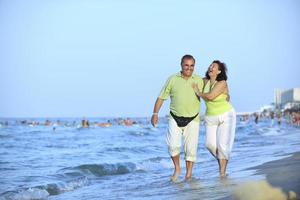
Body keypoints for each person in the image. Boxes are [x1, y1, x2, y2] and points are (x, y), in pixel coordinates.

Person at [151, 55, 203, 181]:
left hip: (193, 119)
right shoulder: (172, 79)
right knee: (173, 145)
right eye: (186, 65)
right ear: (181, 65)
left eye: (191, 66)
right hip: (174, 117)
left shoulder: (199, 80)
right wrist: (155, 114)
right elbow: (161, 97)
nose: (189, 68)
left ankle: (188, 174)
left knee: (190, 150)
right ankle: (177, 168)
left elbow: (209, 95)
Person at [192, 60, 236, 178]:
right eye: (210, 65)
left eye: (214, 66)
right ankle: (223, 160)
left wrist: (198, 92)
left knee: (222, 146)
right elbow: (192, 81)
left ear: (219, 71)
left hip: (226, 115)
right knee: (209, 144)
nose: (211, 67)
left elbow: (211, 96)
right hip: (210, 117)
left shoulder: (222, 82)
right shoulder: (204, 81)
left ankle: (222, 173)